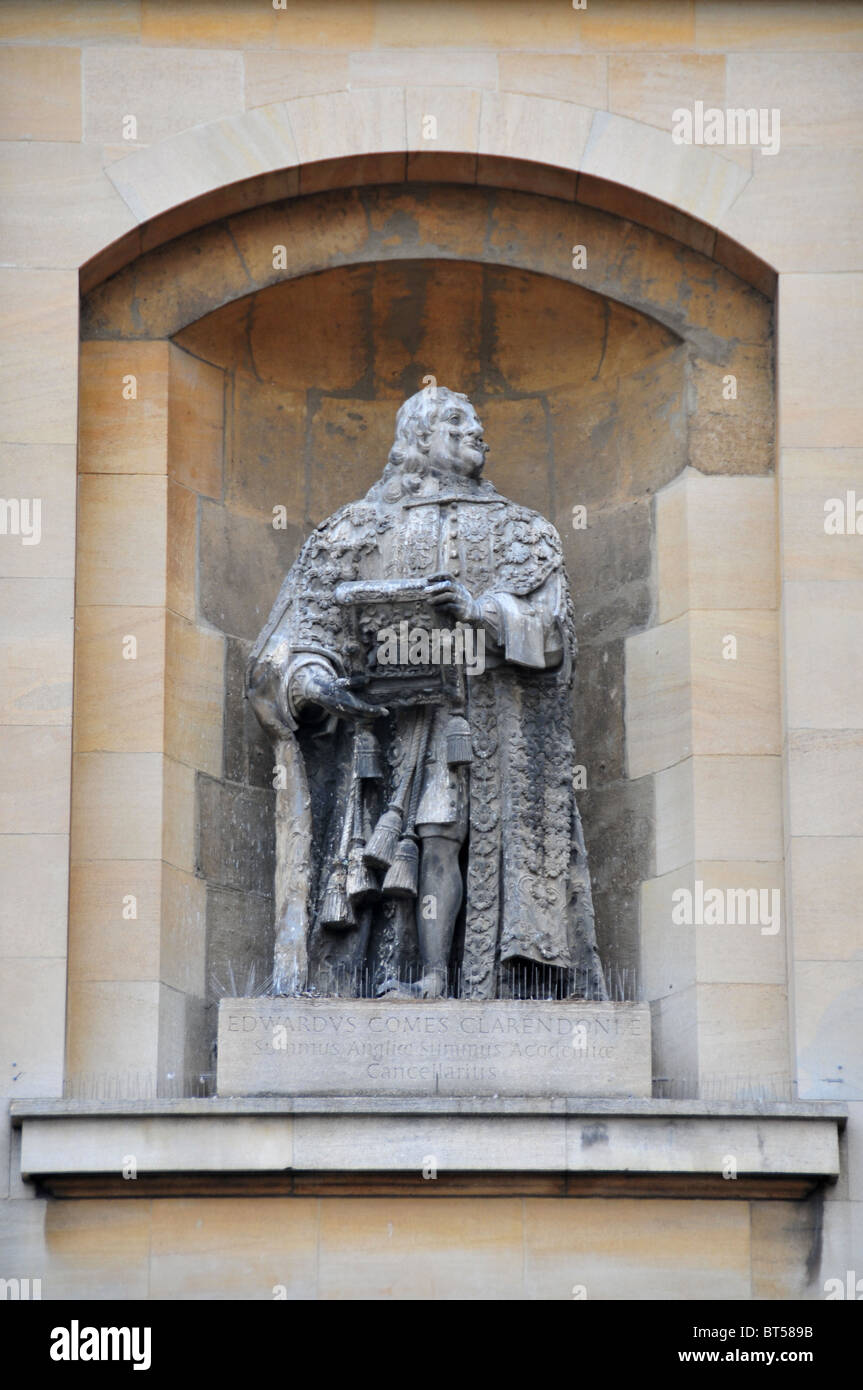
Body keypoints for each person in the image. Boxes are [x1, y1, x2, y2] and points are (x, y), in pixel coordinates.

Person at [247, 386, 606, 1001]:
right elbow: (290, 646)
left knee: (445, 834)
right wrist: (319, 684)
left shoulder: (524, 531)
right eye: (459, 420)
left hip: (487, 727)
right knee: (401, 846)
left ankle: (449, 979)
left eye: (478, 420)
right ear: (418, 435)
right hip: (381, 730)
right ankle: (384, 976)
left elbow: (554, 637)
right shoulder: (353, 530)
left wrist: (484, 612)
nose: (478, 430)